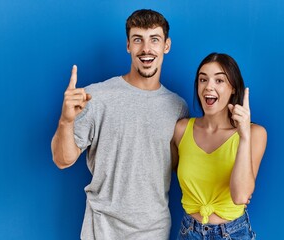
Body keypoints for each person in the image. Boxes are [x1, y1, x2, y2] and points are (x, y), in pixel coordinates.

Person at [51, 9, 188, 240]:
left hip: (153, 231)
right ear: (128, 46)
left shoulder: (178, 107)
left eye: (154, 39)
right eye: (138, 40)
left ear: (166, 45)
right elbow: (62, 160)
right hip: (101, 229)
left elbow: (181, 168)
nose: (146, 49)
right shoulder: (97, 96)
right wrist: (66, 121)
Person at [171, 53, 267, 239]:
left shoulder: (256, 134)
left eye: (219, 80)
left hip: (233, 233)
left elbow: (240, 196)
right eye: (203, 79)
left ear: (233, 88)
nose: (209, 86)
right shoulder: (181, 130)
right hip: (189, 232)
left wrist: (244, 136)